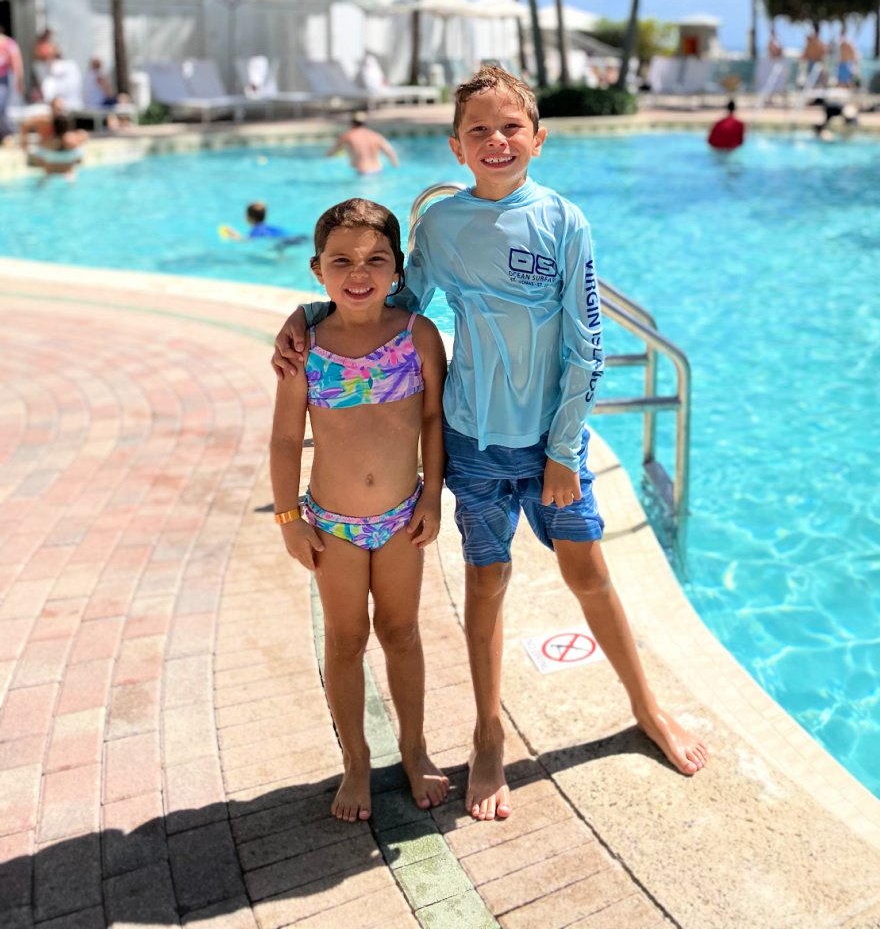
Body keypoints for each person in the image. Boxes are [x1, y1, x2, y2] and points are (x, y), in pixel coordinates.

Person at [272, 65, 707, 823]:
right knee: (486, 585)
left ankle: (646, 706)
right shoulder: (441, 225)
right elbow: (392, 302)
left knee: (591, 575)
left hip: (549, 445)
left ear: (538, 139)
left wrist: (564, 451)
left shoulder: (565, 222)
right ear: (455, 146)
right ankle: (487, 732)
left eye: (511, 127)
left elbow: (588, 345)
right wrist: (313, 313)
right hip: (473, 440)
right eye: (479, 129)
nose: (496, 140)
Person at [270, 197, 449, 822]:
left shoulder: (417, 336)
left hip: (402, 517)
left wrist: (431, 495)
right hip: (333, 524)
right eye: (341, 259)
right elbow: (286, 439)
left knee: (402, 633)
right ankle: (354, 761)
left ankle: (414, 747)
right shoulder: (306, 348)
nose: (358, 271)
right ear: (316, 269)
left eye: (376, 259)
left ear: (397, 269)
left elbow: (433, 419)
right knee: (347, 641)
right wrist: (290, 519)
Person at [328, 112, 399, 177]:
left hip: (362, 173)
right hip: (378, 171)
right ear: (364, 123)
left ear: (352, 123)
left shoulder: (348, 136)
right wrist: (395, 165)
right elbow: (390, 153)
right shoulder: (375, 136)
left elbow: (330, 153)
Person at [222, 201, 308, 248]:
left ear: (249, 218)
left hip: (283, 241)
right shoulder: (269, 227)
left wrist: (232, 233)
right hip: (294, 237)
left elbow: (245, 241)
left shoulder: (256, 230)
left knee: (278, 247)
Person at [31, 111, 87, 179]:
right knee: (71, 171)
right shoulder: (72, 138)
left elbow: (39, 153)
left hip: (52, 164)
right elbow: (79, 157)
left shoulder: (48, 140)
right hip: (67, 164)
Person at [0, 23, 24, 143]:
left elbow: (16, 62)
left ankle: (8, 133)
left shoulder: (9, 44)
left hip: (3, 79)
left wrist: (19, 80)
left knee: (2, 107)